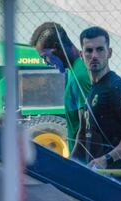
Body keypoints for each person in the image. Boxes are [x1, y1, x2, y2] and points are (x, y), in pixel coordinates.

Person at [71, 26, 121, 185]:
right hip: (94, 178)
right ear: (81, 55)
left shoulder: (117, 88)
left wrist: (106, 159)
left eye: (100, 50)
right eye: (89, 51)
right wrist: (70, 164)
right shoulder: (94, 90)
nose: (94, 56)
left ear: (109, 52)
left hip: (114, 180)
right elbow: (83, 135)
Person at [30, 22, 91, 153]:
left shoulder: (80, 76)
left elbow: (87, 130)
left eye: (46, 56)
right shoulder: (74, 71)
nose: (46, 62)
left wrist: (74, 163)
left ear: (58, 48)